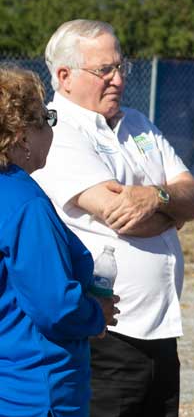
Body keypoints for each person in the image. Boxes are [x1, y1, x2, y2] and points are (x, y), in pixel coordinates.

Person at [32, 19, 194, 417]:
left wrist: (156, 196)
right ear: (64, 76)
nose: (117, 79)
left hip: (159, 331)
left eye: (120, 67)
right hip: (105, 335)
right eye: (103, 70)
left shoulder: (138, 123)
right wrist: (172, 209)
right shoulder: (55, 131)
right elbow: (121, 215)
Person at [0, 66, 118, 416]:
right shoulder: (25, 203)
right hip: (36, 389)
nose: (52, 129)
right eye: (46, 118)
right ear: (22, 136)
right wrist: (96, 315)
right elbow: (54, 305)